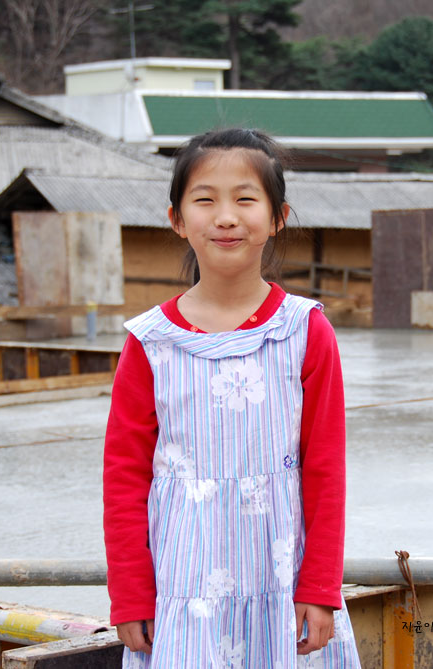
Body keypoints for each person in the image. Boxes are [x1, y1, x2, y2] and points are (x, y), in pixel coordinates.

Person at [103, 128, 361, 667]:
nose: (225, 216)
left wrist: (319, 589)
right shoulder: (149, 342)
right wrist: (130, 593)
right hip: (184, 584)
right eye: (205, 200)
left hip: (280, 580)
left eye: (245, 199)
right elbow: (125, 477)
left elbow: (325, 470)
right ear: (176, 219)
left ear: (277, 217)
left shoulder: (305, 332)